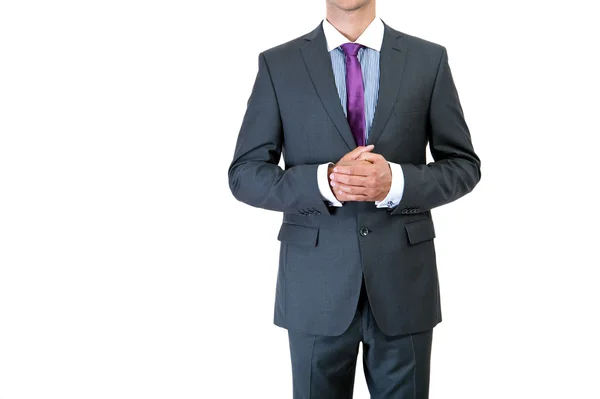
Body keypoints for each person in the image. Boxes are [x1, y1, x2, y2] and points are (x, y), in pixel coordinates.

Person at [228, 0, 481, 397]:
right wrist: (324, 182)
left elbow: (464, 166)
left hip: (404, 286)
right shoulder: (279, 65)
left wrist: (396, 182)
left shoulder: (427, 60)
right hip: (314, 289)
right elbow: (245, 175)